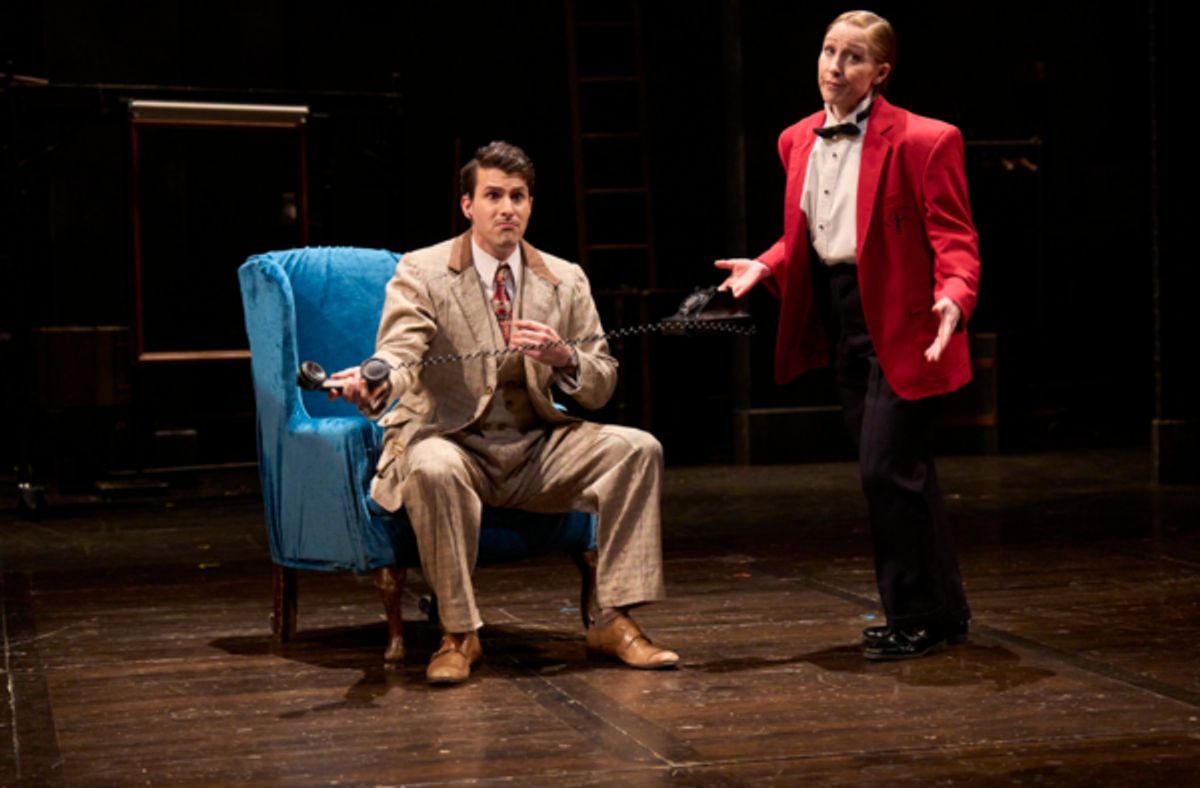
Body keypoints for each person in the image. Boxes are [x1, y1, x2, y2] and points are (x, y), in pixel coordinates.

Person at [332, 141, 678, 684]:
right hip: (454, 440)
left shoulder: (564, 278)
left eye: (517, 196)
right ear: (468, 205)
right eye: (493, 195)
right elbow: (399, 352)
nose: (507, 208)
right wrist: (373, 380)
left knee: (637, 449)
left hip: (536, 446)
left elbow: (603, 382)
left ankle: (614, 620)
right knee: (431, 465)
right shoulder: (422, 271)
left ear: (531, 204)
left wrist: (563, 356)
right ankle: (459, 634)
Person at [716, 10, 979, 660]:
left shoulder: (926, 139)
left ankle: (913, 614)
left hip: (908, 322)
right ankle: (942, 612)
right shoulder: (795, 141)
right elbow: (810, 232)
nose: (835, 66)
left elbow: (955, 239)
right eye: (829, 51)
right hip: (842, 317)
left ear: (880, 72)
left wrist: (954, 298)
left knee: (885, 470)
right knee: (905, 473)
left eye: (853, 57)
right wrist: (768, 263)